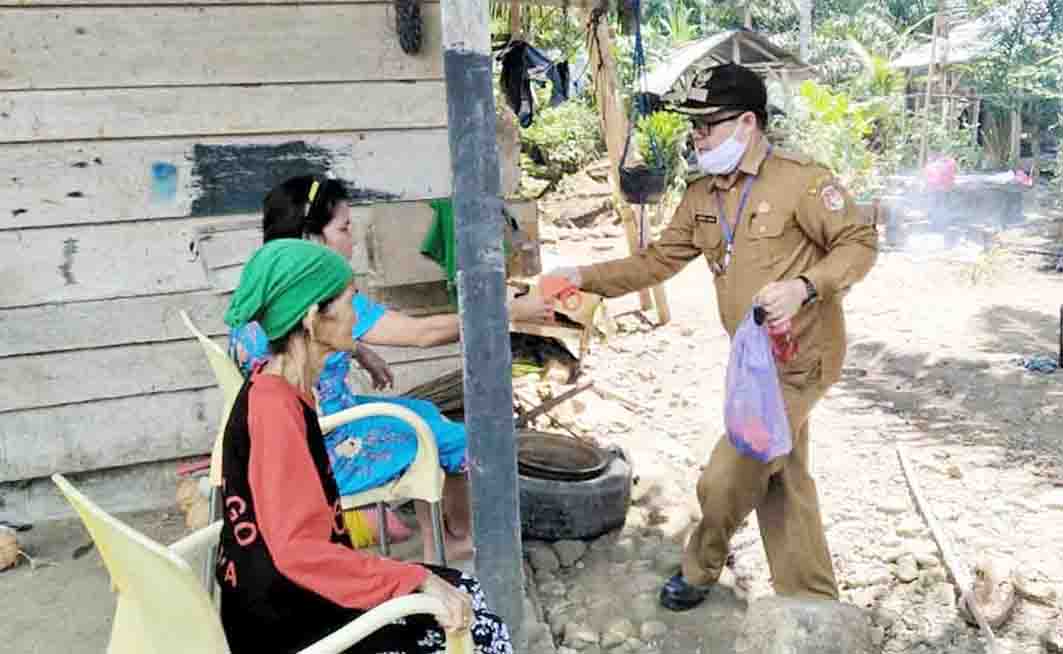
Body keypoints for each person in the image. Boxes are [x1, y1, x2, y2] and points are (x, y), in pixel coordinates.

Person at [549, 64, 878, 609]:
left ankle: (701, 567)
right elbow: (656, 262)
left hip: (802, 359)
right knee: (782, 471)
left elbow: (859, 245)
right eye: (693, 127)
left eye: (708, 125)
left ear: (747, 123)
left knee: (728, 472)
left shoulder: (801, 181)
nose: (696, 137)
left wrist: (804, 286)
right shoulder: (702, 195)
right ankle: (812, 598)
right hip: (752, 361)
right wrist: (584, 278)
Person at [228, 176, 552, 563]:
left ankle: (444, 535)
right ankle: (456, 538)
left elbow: (295, 339)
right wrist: (507, 311)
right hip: (325, 441)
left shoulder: (264, 281)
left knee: (424, 414)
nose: (353, 238)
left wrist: (359, 350)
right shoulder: (325, 292)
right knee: (451, 439)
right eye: (344, 228)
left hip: (290, 429)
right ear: (313, 239)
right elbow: (421, 334)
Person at [218, 239, 512, 654]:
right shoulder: (274, 409)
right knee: (483, 633)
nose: (357, 316)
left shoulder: (281, 384)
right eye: (350, 302)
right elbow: (297, 552)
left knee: (466, 591)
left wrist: (409, 577)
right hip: (288, 617)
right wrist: (414, 579)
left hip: (289, 586)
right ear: (311, 318)